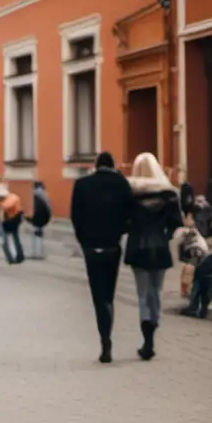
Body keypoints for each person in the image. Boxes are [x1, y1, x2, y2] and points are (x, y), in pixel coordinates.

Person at [70, 151, 134, 363]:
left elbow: (75, 216)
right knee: (109, 294)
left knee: (97, 295)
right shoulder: (122, 184)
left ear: (96, 166)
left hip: (91, 247)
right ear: (113, 165)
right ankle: (107, 332)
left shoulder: (82, 185)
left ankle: (104, 337)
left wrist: (83, 240)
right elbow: (129, 214)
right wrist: (119, 232)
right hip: (112, 246)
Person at [125, 152, 183, 361]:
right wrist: (165, 234)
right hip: (159, 248)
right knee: (156, 292)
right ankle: (154, 325)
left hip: (138, 248)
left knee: (142, 295)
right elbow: (176, 224)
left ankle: (146, 336)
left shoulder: (130, 195)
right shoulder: (168, 195)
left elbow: (125, 222)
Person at [0, 189, 25, 264]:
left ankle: (17, 257)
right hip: (8, 221)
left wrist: (1, 203)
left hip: (13, 221)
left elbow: (7, 205)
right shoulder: (7, 198)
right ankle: (13, 257)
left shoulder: (12, 197)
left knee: (12, 239)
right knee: (11, 240)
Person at [29, 180, 52, 259]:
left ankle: (35, 253)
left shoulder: (32, 194)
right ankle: (39, 253)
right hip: (43, 217)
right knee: (39, 234)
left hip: (35, 217)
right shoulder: (45, 194)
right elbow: (49, 207)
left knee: (36, 234)